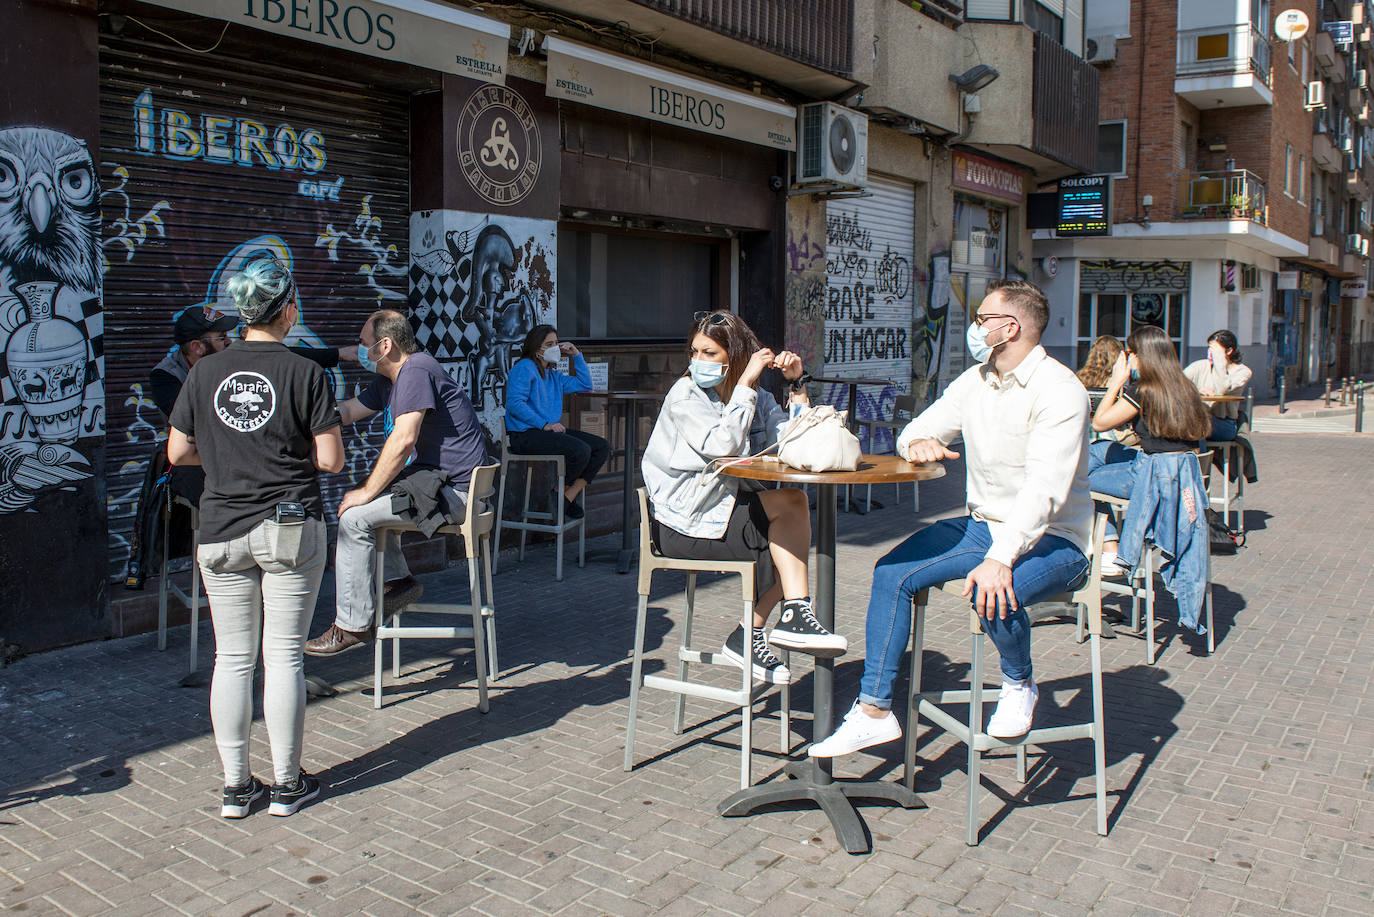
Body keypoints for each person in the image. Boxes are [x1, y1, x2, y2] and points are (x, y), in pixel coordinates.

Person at [809, 280, 1093, 757]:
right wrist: (915, 443)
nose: (976, 328)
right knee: (891, 572)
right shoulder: (976, 380)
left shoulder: (1060, 391)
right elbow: (918, 428)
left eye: (982, 319)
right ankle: (874, 711)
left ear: (1011, 326)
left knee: (995, 588)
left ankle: (1019, 682)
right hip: (982, 527)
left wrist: (1001, 558)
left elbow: (1043, 490)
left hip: (1056, 538)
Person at [167, 258, 344, 818]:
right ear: (288, 309)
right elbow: (331, 459)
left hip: (220, 528)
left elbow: (176, 453)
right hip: (288, 528)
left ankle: (236, 787)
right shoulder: (305, 373)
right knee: (285, 657)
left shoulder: (202, 372)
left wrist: (221, 457)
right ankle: (288, 785)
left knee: (232, 659)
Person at [641, 310, 847, 686]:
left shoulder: (759, 397)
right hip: (685, 522)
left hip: (724, 511)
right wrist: (747, 383)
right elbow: (723, 445)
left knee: (791, 531)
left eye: (710, 353)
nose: (698, 361)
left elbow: (793, 442)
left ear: (734, 356)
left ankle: (760, 629)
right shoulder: (684, 394)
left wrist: (796, 383)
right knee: (792, 521)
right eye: (695, 352)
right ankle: (775, 623)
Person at [125, 305, 358, 588]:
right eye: (221, 338)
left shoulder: (223, 361)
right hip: (203, 468)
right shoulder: (169, 376)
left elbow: (283, 358)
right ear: (197, 347)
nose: (229, 342)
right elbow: (189, 439)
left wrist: (337, 355)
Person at [304, 309, 489, 656]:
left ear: (384, 345)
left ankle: (351, 626)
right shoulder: (393, 379)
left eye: (362, 344)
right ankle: (399, 583)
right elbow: (347, 412)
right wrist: (303, 420)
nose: (359, 350)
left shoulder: (415, 370)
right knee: (369, 503)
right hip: (443, 484)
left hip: (456, 494)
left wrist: (366, 492)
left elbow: (403, 439)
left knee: (354, 517)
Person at [1089, 324, 1214, 576]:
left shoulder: (1143, 390)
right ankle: (1105, 541)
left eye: (1130, 353)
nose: (1127, 358)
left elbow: (1099, 422)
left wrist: (1116, 382)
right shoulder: (1184, 388)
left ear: (1141, 355)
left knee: (1078, 478)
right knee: (1098, 451)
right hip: (1180, 475)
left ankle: (1110, 548)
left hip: (1150, 478)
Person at [504, 324, 610, 519]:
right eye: (549, 344)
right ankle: (560, 497)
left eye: (556, 343)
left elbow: (586, 385)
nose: (555, 347)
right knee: (580, 450)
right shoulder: (524, 368)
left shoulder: (554, 376)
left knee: (601, 447)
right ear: (537, 348)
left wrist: (576, 354)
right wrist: (544, 424)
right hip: (525, 435)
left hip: (547, 432)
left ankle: (565, 496)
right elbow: (514, 404)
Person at [1183, 329, 1252, 441]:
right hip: (1199, 416)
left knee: (1198, 423)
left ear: (1229, 350)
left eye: (1214, 349)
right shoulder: (1200, 366)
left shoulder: (1242, 372)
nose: (1209, 352)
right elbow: (1176, 384)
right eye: (1209, 348)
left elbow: (1221, 389)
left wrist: (1220, 362)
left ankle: (1202, 458)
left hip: (1225, 424)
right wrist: (1197, 390)